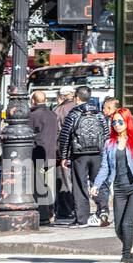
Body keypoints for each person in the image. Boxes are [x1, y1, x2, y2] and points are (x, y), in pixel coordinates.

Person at [89, 101, 133, 263]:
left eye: (120, 121)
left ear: (127, 122)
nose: (116, 125)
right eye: (114, 122)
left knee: (126, 224)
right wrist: (97, 184)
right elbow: (104, 167)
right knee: (117, 228)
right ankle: (130, 244)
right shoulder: (109, 144)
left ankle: (125, 258)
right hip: (119, 188)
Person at [62, 87, 110, 227]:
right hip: (97, 153)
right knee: (98, 182)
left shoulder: (74, 114)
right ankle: (103, 211)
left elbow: (65, 136)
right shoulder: (99, 113)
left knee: (79, 185)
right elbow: (106, 134)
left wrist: (64, 155)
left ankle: (82, 218)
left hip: (79, 155)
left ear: (77, 98)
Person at [28, 91, 60, 225]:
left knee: (39, 186)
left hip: (38, 155)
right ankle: (51, 211)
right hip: (51, 154)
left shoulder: (32, 116)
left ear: (33, 101)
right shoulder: (53, 114)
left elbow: (28, 135)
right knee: (50, 185)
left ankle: (43, 215)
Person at [52, 88, 78, 223]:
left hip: (63, 152)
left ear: (61, 96)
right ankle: (78, 209)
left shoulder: (58, 110)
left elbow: (56, 133)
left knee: (64, 181)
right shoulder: (79, 108)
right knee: (78, 181)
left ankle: (65, 210)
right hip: (80, 152)